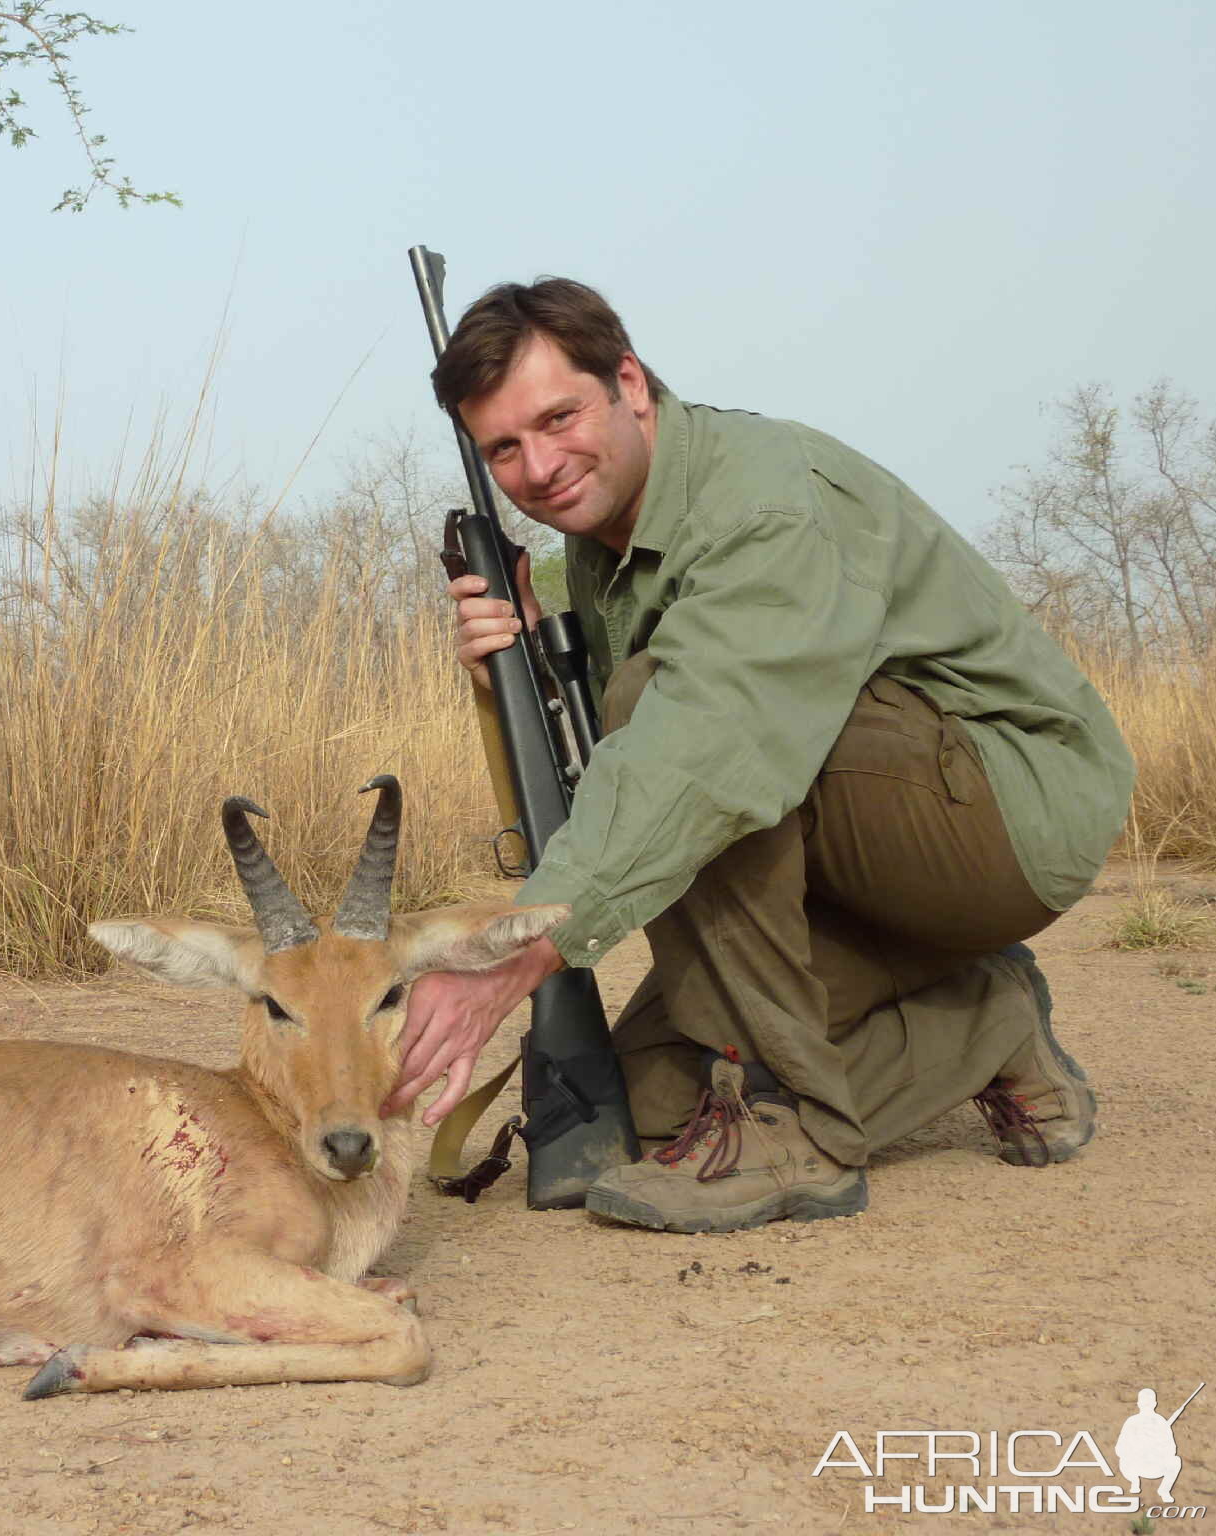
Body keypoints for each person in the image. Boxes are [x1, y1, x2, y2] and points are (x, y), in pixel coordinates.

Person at [382, 276, 1134, 1233]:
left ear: (631, 383)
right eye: (503, 449)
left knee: (672, 715)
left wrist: (504, 961)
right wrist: (523, 668)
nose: (539, 465)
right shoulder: (604, 541)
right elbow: (640, 747)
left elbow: (695, 751)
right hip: (871, 852)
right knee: (655, 1104)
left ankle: (803, 1135)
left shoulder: (764, 502)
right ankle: (982, 1019)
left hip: (1005, 821)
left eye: (559, 416)